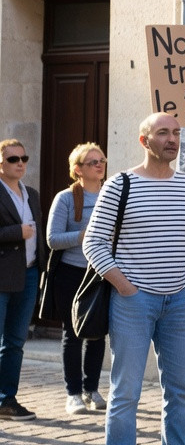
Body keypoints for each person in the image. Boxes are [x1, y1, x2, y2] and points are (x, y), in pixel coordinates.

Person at [81, 114, 185, 445]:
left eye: (176, 133)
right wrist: (125, 286)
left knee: (181, 392)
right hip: (133, 303)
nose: (172, 139)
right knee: (126, 392)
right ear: (144, 140)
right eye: (163, 132)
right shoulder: (120, 184)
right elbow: (93, 242)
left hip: (179, 302)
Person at [43, 142, 109, 415]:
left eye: (102, 160)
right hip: (71, 274)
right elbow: (52, 239)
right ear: (78, 169)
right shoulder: (66, 199)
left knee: (98, 332)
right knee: (72, 334)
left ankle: (91, 389)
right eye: (93, 162)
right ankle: (73, 394)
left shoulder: (111, 194)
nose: (99, 165)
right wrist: (84, 236)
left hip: (102, 273)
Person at [0, 138, 46, 421]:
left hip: (28, 274)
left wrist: (42, 268)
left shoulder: (31, 193)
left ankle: (7, 399)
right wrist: (16, 232)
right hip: (2, 277)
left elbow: (38, 234)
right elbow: (23, 231)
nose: (20, 164)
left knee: (16, 341)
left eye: (23, 159)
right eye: (13, 159)